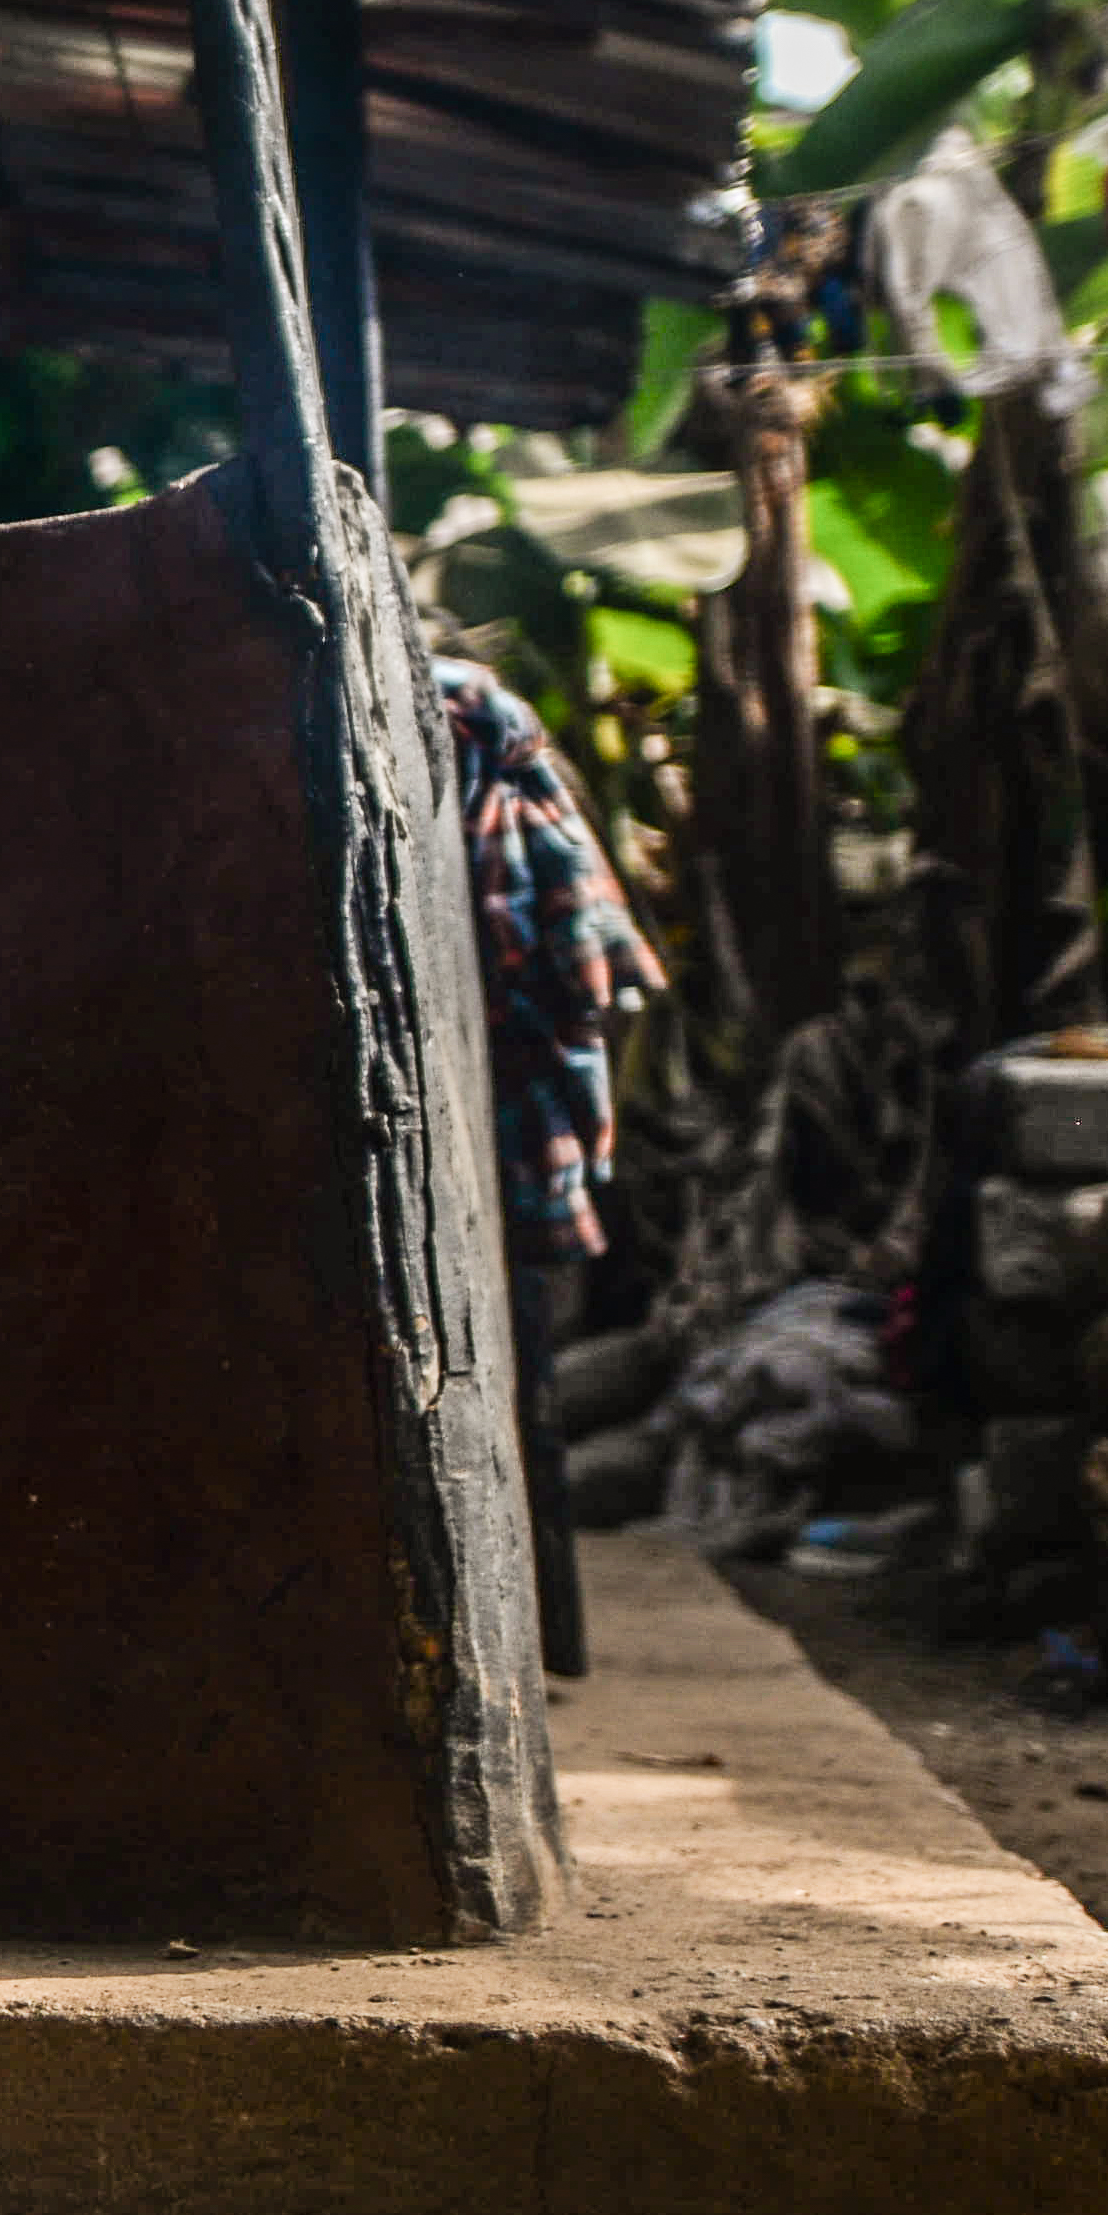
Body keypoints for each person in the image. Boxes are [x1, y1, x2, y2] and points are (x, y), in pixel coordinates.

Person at [438, 654, 665, 1675]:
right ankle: (541, 1640)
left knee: (514, 1378)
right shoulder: (486, 733)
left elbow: (561, 970)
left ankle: (537, 1642)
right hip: (496, 1113)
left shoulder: (465, 728)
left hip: (496, 1115)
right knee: (516, 1379)